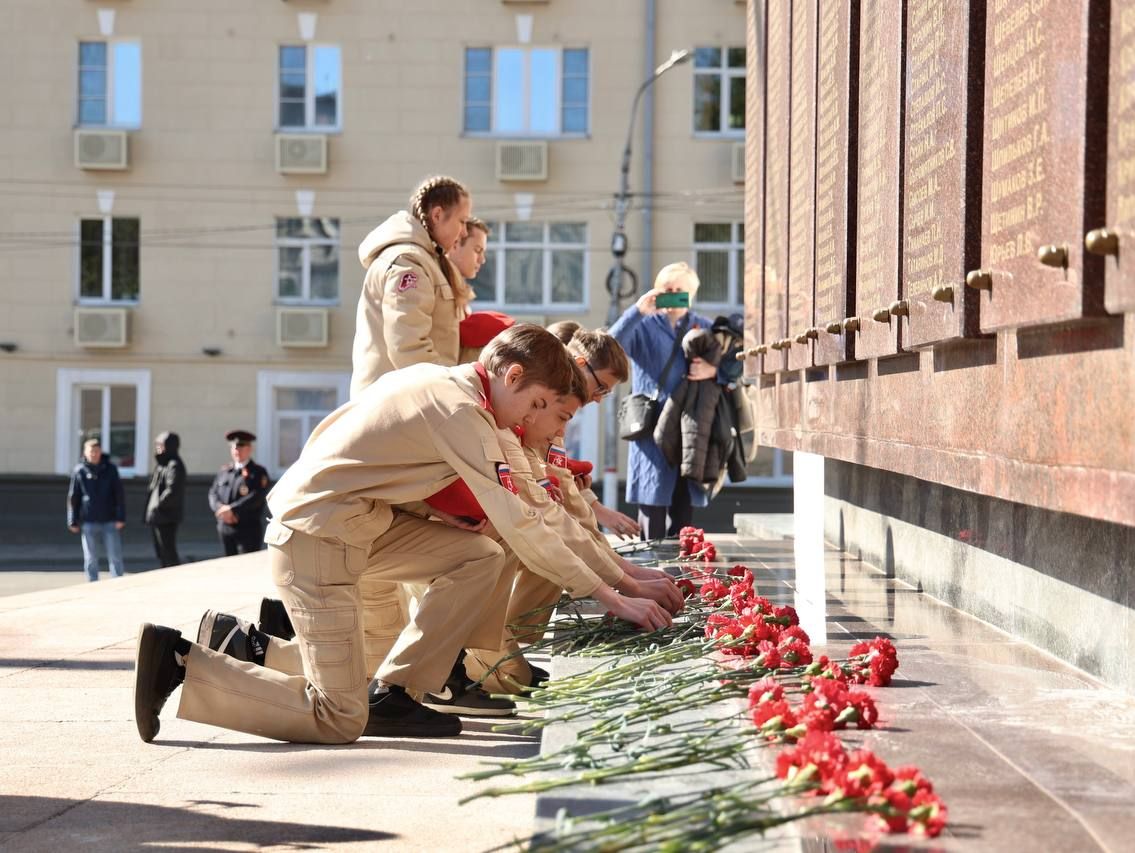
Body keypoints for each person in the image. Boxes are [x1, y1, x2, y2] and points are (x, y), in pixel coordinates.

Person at [133, 325, 672, 746]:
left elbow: (538, 510)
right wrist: (612, 596)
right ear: (510, 376)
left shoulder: (466, 396)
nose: (543, 423)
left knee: (478, 556)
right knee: (341, 715)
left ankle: (391, 689)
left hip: (361, 528)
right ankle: (182, 664)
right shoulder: (461, 409)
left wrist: (624, 578)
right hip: (317, 539)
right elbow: (525, 520)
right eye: (539, 407)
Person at [609, 262, 720, 540]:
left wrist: (713, 370)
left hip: (690, 429)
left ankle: (679, 577)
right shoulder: (644, 325)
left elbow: (736, 366)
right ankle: (651, 574)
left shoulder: (705, 327)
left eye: (679, 290)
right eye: (666, 289)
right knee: (652, 507)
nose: (672, 294)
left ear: (691, 293)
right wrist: (637, 311)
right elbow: (610, 347)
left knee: (683, 512)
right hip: (651, 430)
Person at [351, 175, 473, 399]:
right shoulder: (408, 263)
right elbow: (408, 348)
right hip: (396, 406)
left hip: (412, 402)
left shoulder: (428, 261)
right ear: (437, 215)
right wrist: (449, 391)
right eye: (462, 221)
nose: (464, 232)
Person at [67, 438, 126, 581]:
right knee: (91, 556)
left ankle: (118, 582)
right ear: (85, 453)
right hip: (89, 519)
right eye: (91, 451)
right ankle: (92, 583)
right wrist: (72, 519)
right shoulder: (79, 470)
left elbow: (119, 494)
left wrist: (121, 517)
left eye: (96, 451)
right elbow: (74, 496)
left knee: (115, 555)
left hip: (109, 519)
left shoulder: (110, 469)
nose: (94, 454)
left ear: (100, 452)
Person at [208, 430, 270, 556]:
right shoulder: (225, 471)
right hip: (225, 527)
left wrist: (232, 510)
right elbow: (213, 493)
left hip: (248, 529)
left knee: (247, 569)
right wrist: (221, 510)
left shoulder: (258, 472)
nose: (237, 451)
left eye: (241, 447)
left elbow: (257, 497)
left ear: (249, 449)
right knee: (229, 567)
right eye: (234, 448)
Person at [144, 431, 186, 567]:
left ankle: (173, 580)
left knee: (168, 553)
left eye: (160, 445)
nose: (157, 448)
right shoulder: (162, 464)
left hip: (166, 516)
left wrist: (158, 506)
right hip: (159, 516)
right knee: (162, 553)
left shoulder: (174, 465)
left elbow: (172, 491)